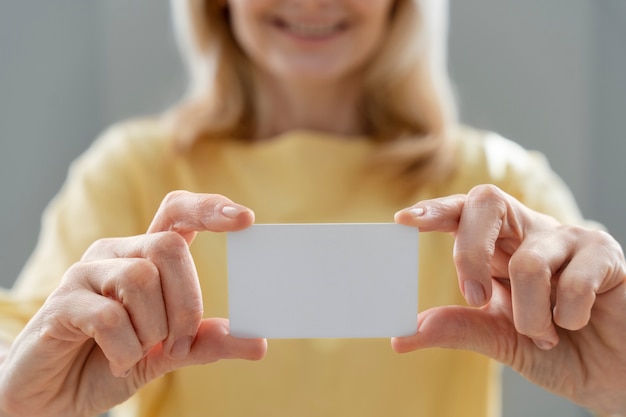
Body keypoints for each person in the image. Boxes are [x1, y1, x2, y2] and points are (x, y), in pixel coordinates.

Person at [0, 0, 624, 416]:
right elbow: (17, 353)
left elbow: (592, 311)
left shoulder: (498, 186)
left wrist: (616, 378)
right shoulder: (130, 173)